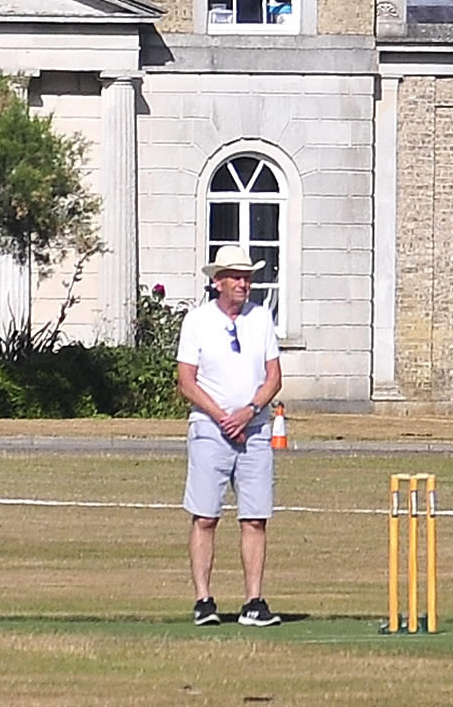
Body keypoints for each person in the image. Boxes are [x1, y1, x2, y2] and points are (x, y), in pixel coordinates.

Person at [176, 244, 283, 627]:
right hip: (210, 428)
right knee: (205, 516)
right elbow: (187, 381)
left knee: (255, 518)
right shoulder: (197, 321)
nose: (243, 283)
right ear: (218, 281)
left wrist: (249, 411)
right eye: (236, 277)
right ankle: (204, 601)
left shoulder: (261, 318)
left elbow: (273, 377)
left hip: (254, 429)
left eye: (247, 277)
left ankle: (253, 601)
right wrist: (222, 417)